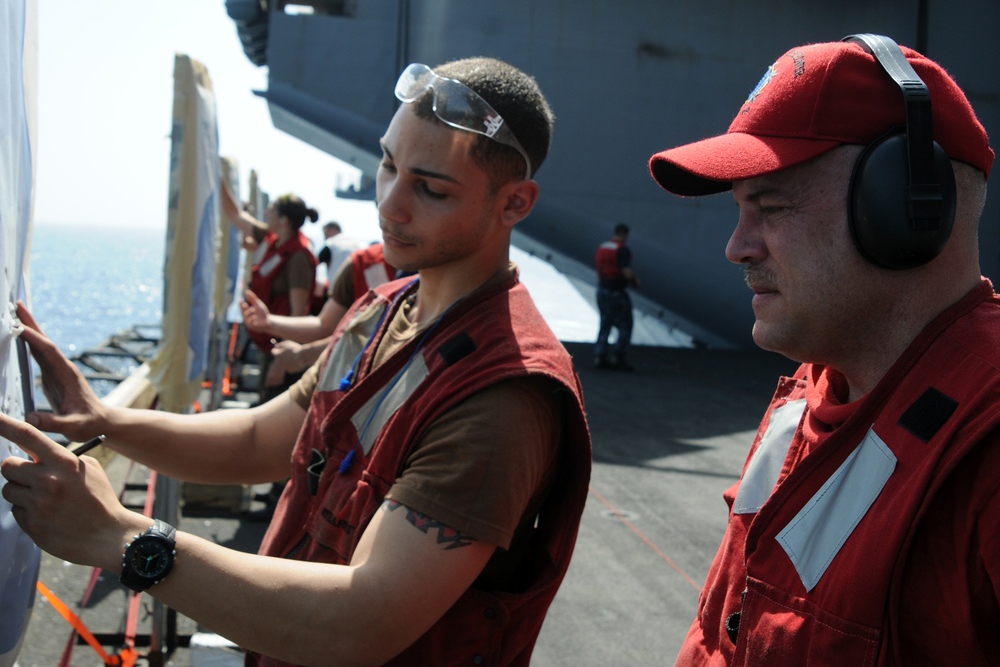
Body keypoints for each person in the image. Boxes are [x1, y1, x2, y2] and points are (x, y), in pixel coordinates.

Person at [0, 56, 592, 667]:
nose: (389, 204)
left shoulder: (501, 400)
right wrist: (105, 420)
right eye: (388, 164)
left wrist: (119, 535)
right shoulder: (381, 311)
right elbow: (264, 436)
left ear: (515, 203)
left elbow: (357, 624)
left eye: (431, 188)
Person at [648, 35, 997, 665]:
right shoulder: (810, 391)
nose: (737, 247)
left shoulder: (987, 442)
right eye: (738, 211)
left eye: (771, 207)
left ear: (907, 207)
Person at [245, 242, 398, 389]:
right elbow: (325, 326)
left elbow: (384, 339)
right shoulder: (360, 264)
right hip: (362, 390)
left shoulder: (418, 277)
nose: (394, 216)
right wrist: (269, 322)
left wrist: (303, 356)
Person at [221, 185, 320, 400]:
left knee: (274, 401)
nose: (266, 213)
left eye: (271, 210)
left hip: (280, 348)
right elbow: (236, 216)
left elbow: (298, 313)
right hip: (268, 342)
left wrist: (282, 361)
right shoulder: (274, 241)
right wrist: (218, 180)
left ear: (284, 220)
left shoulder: (298, 257)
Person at [593, 222, 639, 370]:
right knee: (626, 324)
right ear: (625, 234)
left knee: (605, 322)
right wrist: (635, 281)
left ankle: (600, 356)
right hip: (616, 292)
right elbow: (627, 272)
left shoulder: (603, 247)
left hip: (602, 290)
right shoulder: (622, 250)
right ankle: (619, 356)